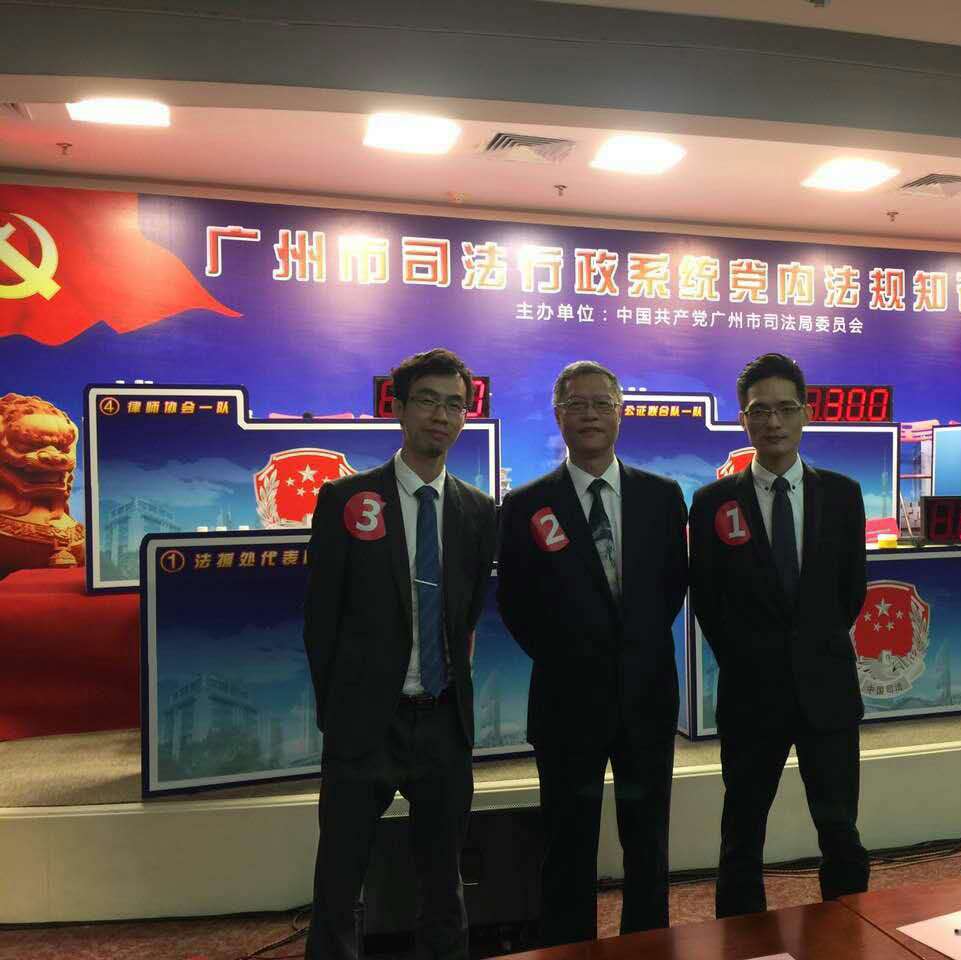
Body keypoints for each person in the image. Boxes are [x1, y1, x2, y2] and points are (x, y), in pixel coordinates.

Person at [303, 349, 497, 960]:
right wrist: (339, 713)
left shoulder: (477, 509)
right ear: (400, 407)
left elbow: (467, 613)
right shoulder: (346, 499)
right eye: (428, 400)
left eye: (455, 405)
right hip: (366, 722)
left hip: (442, 721)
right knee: (339, 880)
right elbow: (320, 621)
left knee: (443, 883)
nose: (442, 415)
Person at [496, 360, 688, 946]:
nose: (590, 415)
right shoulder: (526, 505)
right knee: (567, 845)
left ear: (620, 414)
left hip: (646, 698)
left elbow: (671, 589)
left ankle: (647, 948)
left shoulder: (661, 497)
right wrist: (573, 659)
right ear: (558, 416)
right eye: (576, 404)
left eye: (602, 403)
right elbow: (516, 605)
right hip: (566, 703)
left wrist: (630, 656)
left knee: (648, 842)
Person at [689, 351, 870, 917]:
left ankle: (850, 933)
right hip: (752, 694)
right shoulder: (713, 503)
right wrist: (752, 659)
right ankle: (740, 940)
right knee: (742, 830)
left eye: (785, 409)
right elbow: (708, 601)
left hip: (827, 691)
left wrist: (811, 648)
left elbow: (850, 592)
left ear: (806, 413)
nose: (773, 422)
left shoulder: (843, 495)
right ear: (743, 419)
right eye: (759, 411)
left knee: (839, 827)